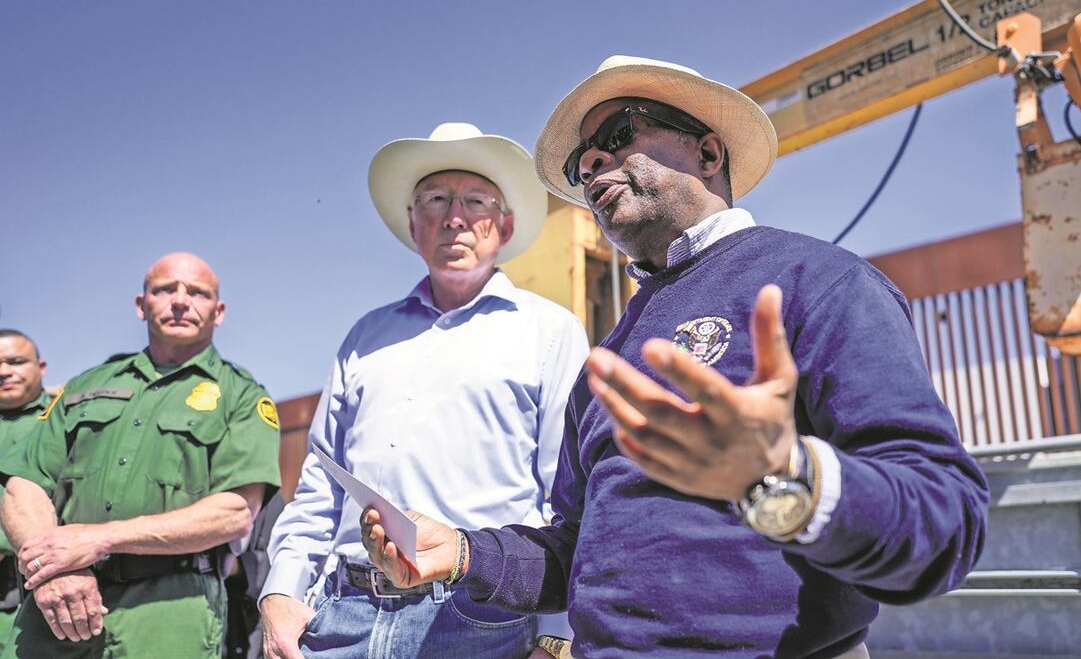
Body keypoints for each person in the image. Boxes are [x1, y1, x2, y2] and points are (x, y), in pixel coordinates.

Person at [361, 56, 990, 658]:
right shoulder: (608, 356)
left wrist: (785, 477)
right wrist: (464, 553)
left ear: (709, 154)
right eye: (582, 161)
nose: (594, 162)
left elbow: (945, 524)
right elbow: (576, 549)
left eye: (617, 134)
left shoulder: (819, 281)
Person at [260, 123, 589, 659]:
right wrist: (281, 592)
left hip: (482, 622)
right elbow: (320, 483)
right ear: (414, 224)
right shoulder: (365, 337)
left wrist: (556, 638)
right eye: (435, 200)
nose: (455, 217)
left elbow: (570, 501)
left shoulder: (551, 333)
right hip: (343, 617)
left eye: (475, 201)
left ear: (504, 226)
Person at [0, 252, 280, 658]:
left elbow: (234, 512)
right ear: (141, 304)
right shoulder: (85, 385)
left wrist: (99, 539)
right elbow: (24, 484)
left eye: (197, 293)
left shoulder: (241, 396)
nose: (180, 301)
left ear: (218, 312)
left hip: (169, 611)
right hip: (57, 601)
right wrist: (53, 572)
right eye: (164, 289)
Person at [0, 330, 51, 651]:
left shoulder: (63, 420)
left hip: (39, 586)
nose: (4, 372)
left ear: (41, 367)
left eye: (16, 361)